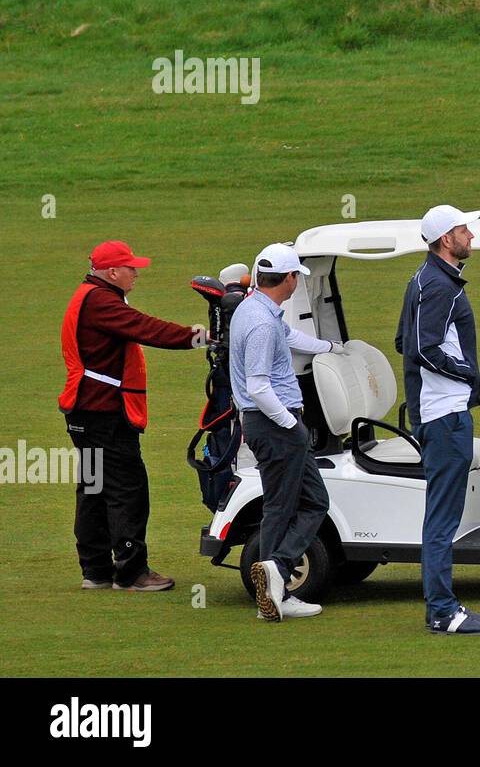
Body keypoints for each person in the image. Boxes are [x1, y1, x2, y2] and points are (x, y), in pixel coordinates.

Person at [59, 241, 206, 592]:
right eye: (131, 268)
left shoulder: (92, 295)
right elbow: (145, 328)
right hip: (105, 413)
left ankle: (95, 570)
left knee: (94, 488)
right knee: (128, 490)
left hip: (85, 411)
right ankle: (131, 572)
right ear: (112, 272)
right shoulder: (101, 301)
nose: (136, 273)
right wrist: (196, 338)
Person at [395, 205, 480, 636]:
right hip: (445, 417)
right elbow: (420, 347)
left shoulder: (429, 280)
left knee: (442, 515)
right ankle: (442, 611)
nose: (470, 235)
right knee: (442, 518)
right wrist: (469, 373)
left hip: (441, 413)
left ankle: (443, 605)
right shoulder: (438, 287)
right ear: (444, 240)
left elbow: (403, 339)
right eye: (463, 229)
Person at [228, 243, 342, 622]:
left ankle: (276, 582)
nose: (297, 284)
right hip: (275, 424)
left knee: (309, 502)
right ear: (290, 278)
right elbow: (259, 387)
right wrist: (292, 425)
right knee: (284, 505)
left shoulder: (258, 308)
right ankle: (276, 575)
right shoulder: (261, 322)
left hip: (273, 425)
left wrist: (331, 347)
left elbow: (291, 338)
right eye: (297, 277)